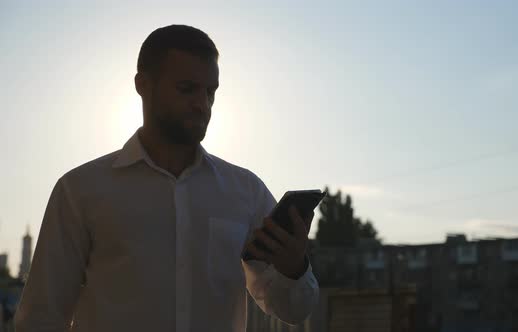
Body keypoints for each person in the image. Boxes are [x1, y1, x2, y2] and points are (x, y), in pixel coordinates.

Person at [14, 24, 319, 332]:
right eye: (187, 89)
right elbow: (41, 318)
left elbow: (293, 311)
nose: (202, 104)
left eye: (210, 92)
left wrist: (293, 268)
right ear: (143, 84)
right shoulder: (80, 191)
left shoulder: (246, 191)